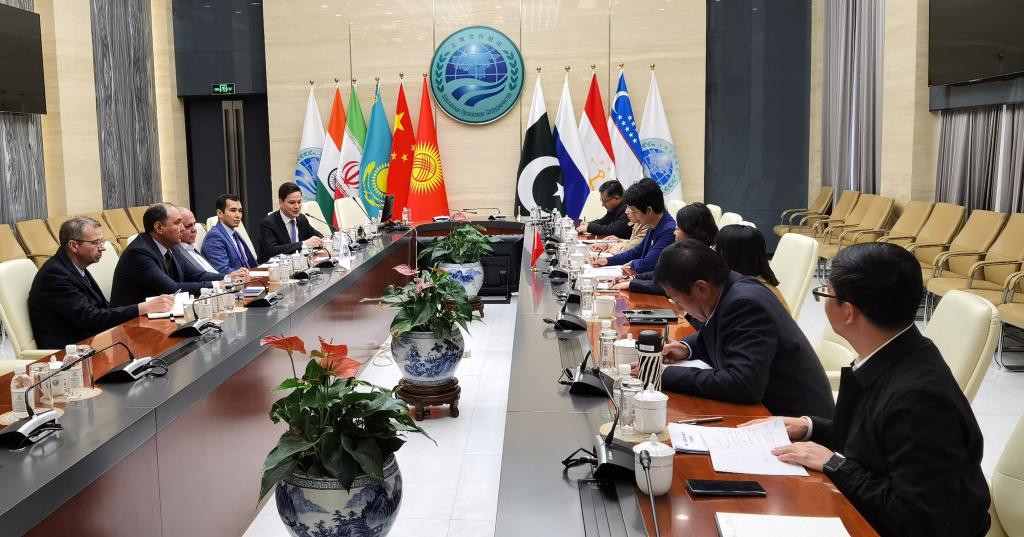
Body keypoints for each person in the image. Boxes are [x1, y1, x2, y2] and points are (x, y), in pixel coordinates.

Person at [750, 243, 990, 537]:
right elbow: (876, 438)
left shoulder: (920, 399)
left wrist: (835, 464)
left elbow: (917, 520)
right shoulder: (895, 351)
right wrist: (810, 427)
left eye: (826, 294)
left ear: (848, 312)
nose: (823, 302)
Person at [649, 240, 834, 418]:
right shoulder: (726, 288)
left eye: (678, 301)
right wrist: (685, 348)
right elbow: (721, 335)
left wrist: (663, 373)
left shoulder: (744, 304)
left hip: (796, 420)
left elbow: (743, 384)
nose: (680, 308)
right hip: (769, 410)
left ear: (701, 288)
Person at [28, 217, 175, 349]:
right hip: (70, 353)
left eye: (102, 241)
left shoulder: (73, 266)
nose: (102, 248)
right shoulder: (55, 275)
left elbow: (101, 307)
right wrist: (141, 308)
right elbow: (90, 318)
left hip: (92, 342)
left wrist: (145, 308)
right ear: (74, 245)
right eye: (95, 242)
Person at [110, 203, 245, 307]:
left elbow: (195, 275)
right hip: (131, 324)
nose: (182, 228)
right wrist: (218, 285)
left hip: (161, 314)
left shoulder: (172, 246)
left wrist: (227, 278)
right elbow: (171, 289)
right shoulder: (139, 253)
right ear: (159, 227)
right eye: (177, 223)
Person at [624, 202, 718, 294]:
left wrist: (632, 284)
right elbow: (665, 273)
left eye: (678, 229)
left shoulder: (701, 259)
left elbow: (674, 286)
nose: (674, 232)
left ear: (691, 231)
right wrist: (634, 278)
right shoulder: (691, 251)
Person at [590, 178, 675, 275]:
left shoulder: (669, 231)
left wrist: (633, 264)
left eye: (634, 211)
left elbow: (648, 264)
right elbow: (637, 251)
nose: (629, 213)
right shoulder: (655, 223)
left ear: (649, 210)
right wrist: (608, 260)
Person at [714, 224, 789, 312]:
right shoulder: (751, 283)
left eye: (718, 249)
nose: (714, 252)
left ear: (732, 257)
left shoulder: (747, 296)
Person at [259, 182, 323, 263]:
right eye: (292, 203)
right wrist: (304, 244)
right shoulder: (268, 223)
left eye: (299, 202)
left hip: (300, 264)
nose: (297, 207)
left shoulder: (301, 219)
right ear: (281, 202)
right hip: (273, 267)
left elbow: (318, 236)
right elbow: (273, 251)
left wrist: (321, 241)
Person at [202, 194, 257, 274]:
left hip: (252, 276)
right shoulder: (214, 237)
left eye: (240, 211)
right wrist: (247, 274)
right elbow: (222, 270)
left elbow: (250, 263)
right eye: (233, 210)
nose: (238, 215)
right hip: (238, 280)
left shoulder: (235, 234)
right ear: (220, 213)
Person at [176, 208, 220, 275]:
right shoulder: (176, 253)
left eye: (194, 224)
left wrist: (227, 277)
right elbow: (199, 277)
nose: (194, 230)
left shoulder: (192, 247)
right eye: (188, 226)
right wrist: (226, 277)